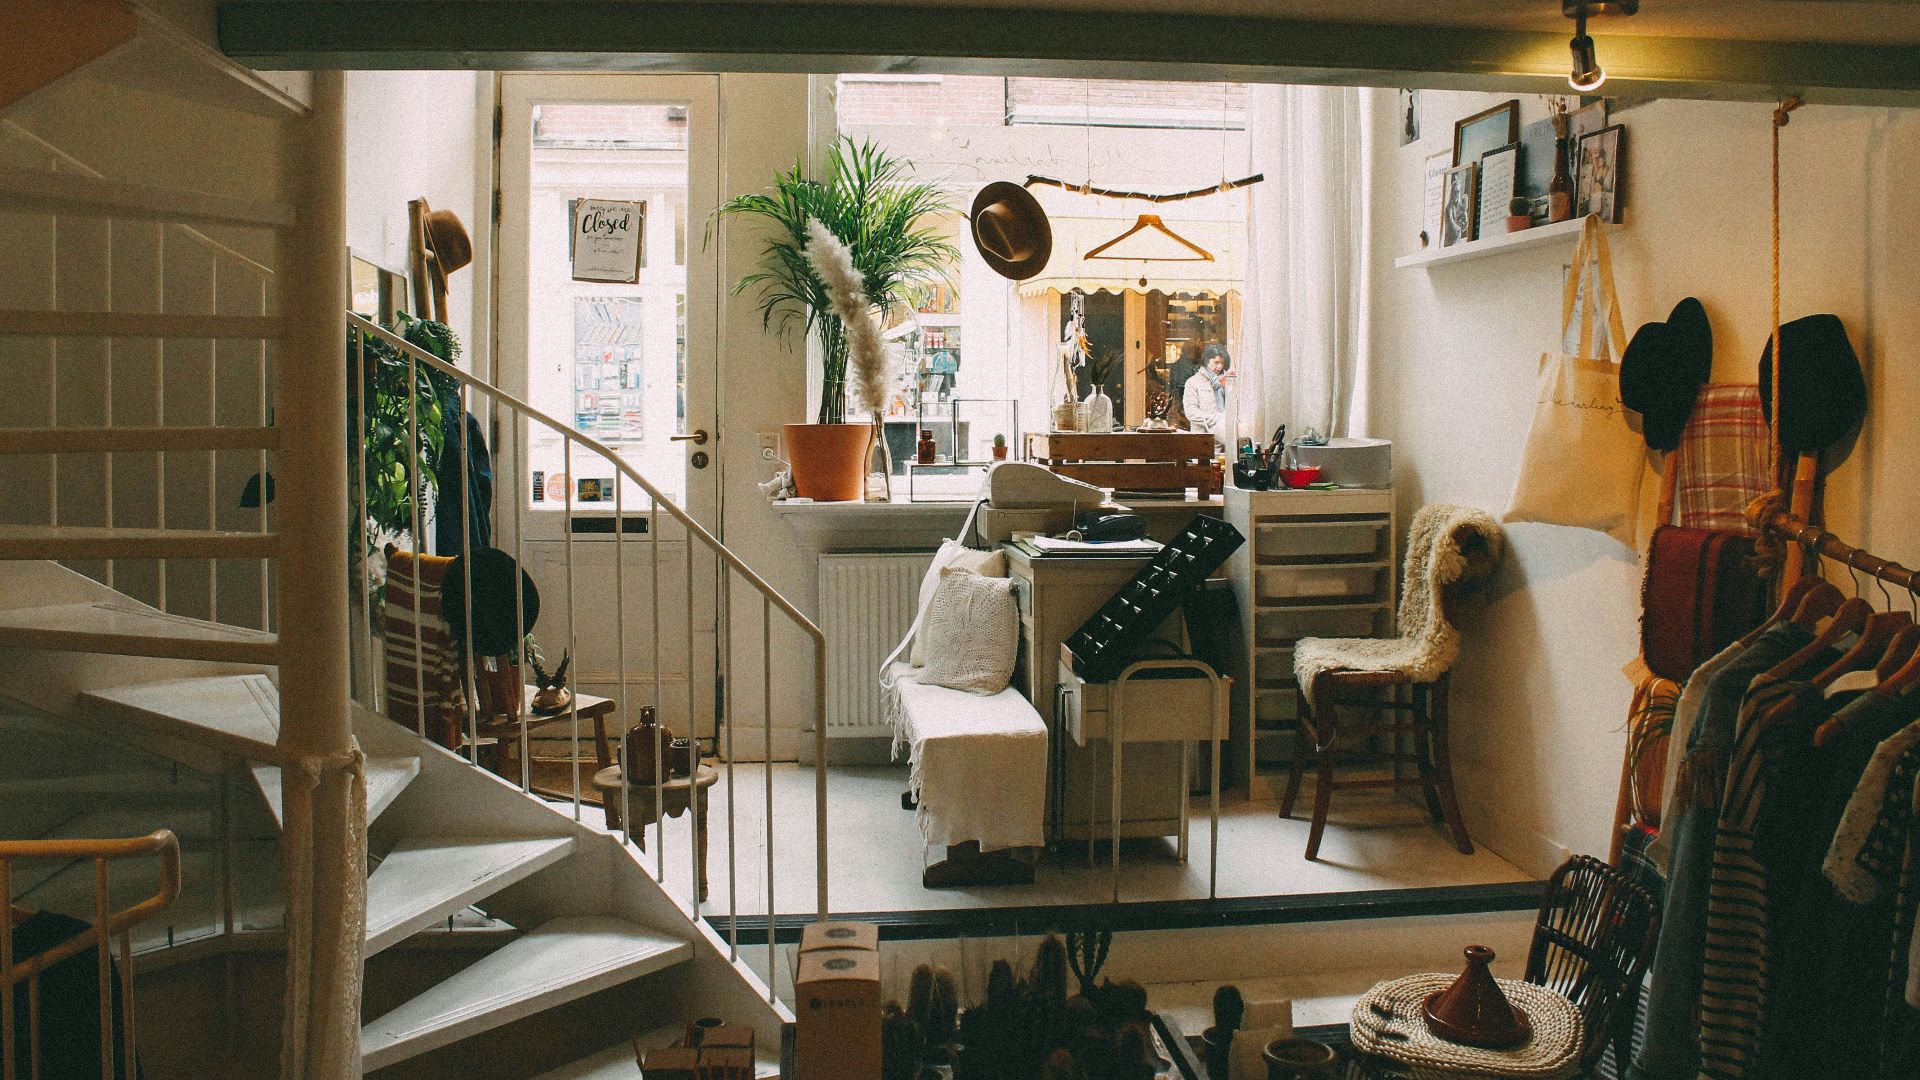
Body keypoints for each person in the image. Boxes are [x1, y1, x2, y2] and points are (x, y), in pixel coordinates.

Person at [1182, 345, 1233, 446]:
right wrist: (1218, 419)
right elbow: (1191, 412)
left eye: (1222, 363)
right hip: (1204, 441)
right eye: (1216, 362)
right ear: (1206, 361)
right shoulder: (1193, 382)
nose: (1219, 367)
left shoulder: (1226, 381)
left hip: (1226, 441)